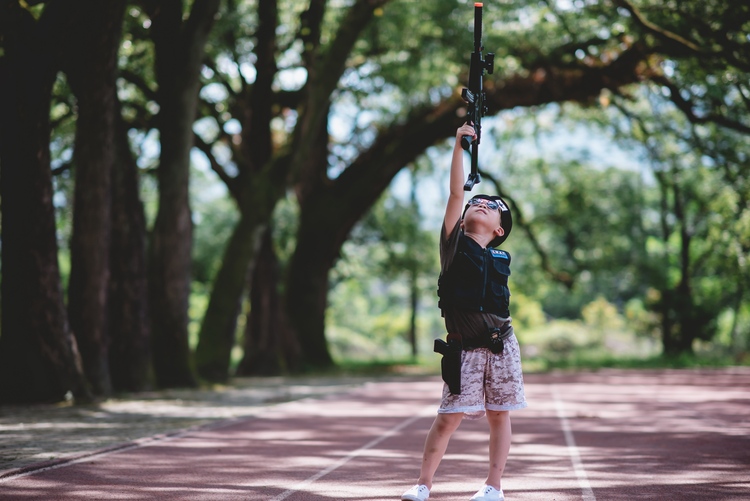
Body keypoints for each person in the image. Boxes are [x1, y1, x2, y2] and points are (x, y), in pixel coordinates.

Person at [401, 122, 527, 501]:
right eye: (476, 202)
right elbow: (457, 191)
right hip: (464, 348)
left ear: (500, 230)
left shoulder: (499, 256)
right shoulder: (453, 243)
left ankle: (494, 487)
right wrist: (459, 145)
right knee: (447, 419)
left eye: (490, 207)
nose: (479, 204)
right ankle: (423, 483)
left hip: (501, 346)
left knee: (499, 415)